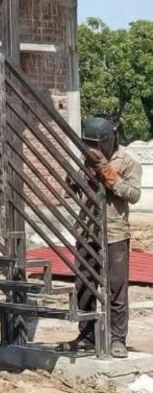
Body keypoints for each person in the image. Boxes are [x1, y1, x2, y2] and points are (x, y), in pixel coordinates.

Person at [62, 116, 140, 358]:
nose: (92, 149)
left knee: (117, 288)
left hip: (115, 233)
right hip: (87, 231)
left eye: (95, 144)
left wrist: (108, 173)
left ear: (108, 140)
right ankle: (87, 335)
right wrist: (74, 179)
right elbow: (70, 191)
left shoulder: (127, 161)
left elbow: (134, 194)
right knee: (84, 285)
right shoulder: (85, 159)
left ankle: (118, 339)